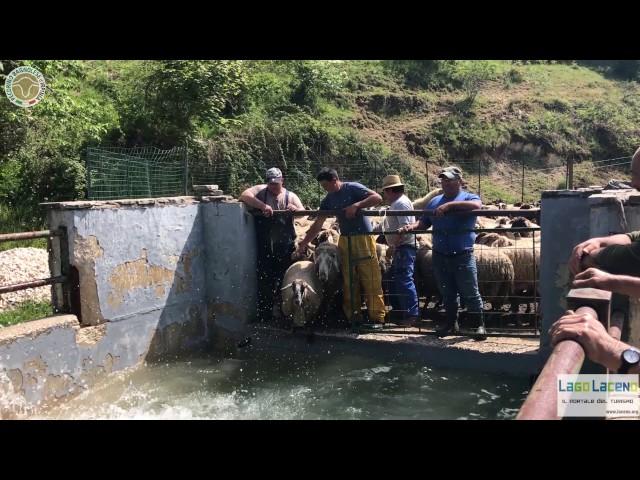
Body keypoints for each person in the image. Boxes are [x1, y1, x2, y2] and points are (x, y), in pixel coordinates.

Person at [399, 166, 487, 340]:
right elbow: (424, 223)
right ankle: (450, 323)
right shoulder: (434, 201)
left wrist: (449, 206)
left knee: (470, 290)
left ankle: (478, 324)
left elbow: (477, 206)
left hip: (462, 253)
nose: (445, 183)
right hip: (440, 254)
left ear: (460, 181)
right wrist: (411, 227)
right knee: (447, 291)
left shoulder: (469, 197)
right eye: (443, 180)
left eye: (449, 179)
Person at [295, 168, 386, 327]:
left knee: (370, 277)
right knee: (349, 279)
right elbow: (317, 225)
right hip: (345, 239)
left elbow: (377, 198)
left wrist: (356, 205)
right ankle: (353, 317)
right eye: (323, 187)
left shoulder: (352, 187)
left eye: (327, 186)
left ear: (335, 180)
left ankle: (377, 317)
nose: (326, 189)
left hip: (363, 237)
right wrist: (303, 245)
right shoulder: (328, 200)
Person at [239, 167, 304, 323]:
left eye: (277, 183)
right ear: (267, 182)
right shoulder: (261, 191)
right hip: (265, 246)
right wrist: (262, 206)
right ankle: (265, 314)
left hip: (285, 246)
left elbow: (303, 212)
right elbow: (244, 195)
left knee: (285, 279)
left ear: (282, 180)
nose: (274, 186)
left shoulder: (290, 196)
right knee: (264, 279)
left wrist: (295, 210)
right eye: (271, 183)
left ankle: (285, 313)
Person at [377, 174, 420, 326]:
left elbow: (405, 228)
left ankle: (411, 315)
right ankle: (399, 311)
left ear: (390, 190)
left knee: (403, 279)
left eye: (385, 192)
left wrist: (393, 246)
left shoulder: (401, 204)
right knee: (392, 278)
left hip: (404, 247)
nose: (385, 195)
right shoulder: (398, 203)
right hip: (401, 247)